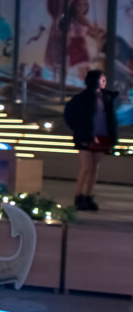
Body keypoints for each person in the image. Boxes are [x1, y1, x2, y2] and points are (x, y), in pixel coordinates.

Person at [64, 69, 119, 211]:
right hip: (85, 136)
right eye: (102, 80)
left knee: (94, 168)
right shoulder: (81, 99)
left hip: (102, 137)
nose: (104, 82)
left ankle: (88, 196)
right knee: (87, 166)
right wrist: (79, 128)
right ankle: (79, 195)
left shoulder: (107, 98)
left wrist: (113, 135)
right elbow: (69, 115)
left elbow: (111, 118)